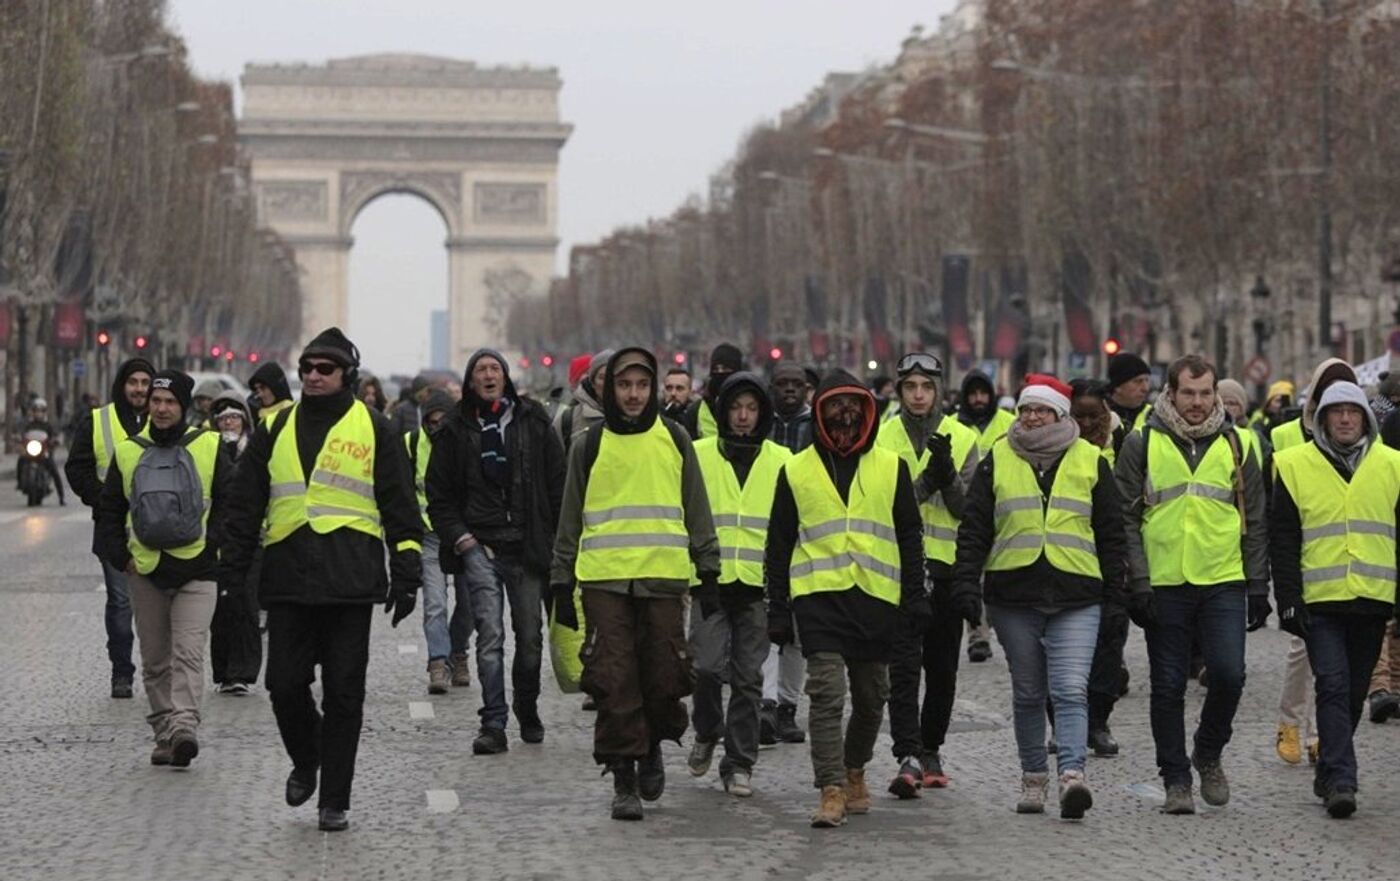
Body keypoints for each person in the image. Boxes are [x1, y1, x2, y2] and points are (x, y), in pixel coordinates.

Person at [221, 327, 423, 833]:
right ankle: (308, 756)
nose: (313, 375)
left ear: (346, 375)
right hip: (288, 577)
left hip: (351, 581)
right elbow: (245, 504)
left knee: (344, 695)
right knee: (283, 686)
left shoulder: (375, 426)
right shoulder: (275, 426)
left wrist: (407, 571)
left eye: (324, 368)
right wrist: (230, 573)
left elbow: (399, 505)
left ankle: (335, 799)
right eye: (307, 367)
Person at [549, 347, 720, 821]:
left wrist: (709, 569)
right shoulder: (590, 443)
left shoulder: (676, 438)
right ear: (610, 389)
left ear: (653, 388)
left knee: (665, 675)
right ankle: (623, 773)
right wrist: (561, 582)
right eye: (624, 385)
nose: (633, 394)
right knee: (613, 678)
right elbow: (570, 516)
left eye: (642, 385)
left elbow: (696, 506)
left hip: (664, 580)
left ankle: (652, 746)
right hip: (604, 583)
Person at [953, 374, 1124, 819]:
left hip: (1077, 594)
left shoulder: (1090, 459)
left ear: (1060, 415)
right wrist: (967, 583)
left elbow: (1110, 533)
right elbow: (975, 528)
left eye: (1042, 410)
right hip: (1014, 596)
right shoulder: (998, 458)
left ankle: (1072, 776)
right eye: (1027, 408)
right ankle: (1033, 778)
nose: (1032, 416)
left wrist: (1117, 595)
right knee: (1029, 693)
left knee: (1069, 690)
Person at [766, 369, 925, 829]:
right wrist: (778, 608)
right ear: (819, 415)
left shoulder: (891, 466)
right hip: (818, 599)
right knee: (828, 695)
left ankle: (856, 768)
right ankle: (831, 787)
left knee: (873, 698)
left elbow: (910, 536)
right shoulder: (794, 470)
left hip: (876, 598)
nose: (845, 417)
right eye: (835, 408)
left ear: (868, 414)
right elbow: (777, 545)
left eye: (854, 407)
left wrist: (916, 596)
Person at [1115, 355, 1267, 815]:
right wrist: (1137, 581)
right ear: (1171, 393)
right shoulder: (1141, 442)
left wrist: (1258, 584)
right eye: (1189, 394)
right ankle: (1176, 778)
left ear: (1216, 394)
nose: (1198, 403)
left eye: (1206, 394)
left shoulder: (1241, 444)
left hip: (1223, 577)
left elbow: (1256, 518)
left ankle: (1208, 750)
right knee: (1166, 687)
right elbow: (1125, 517)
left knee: (1228, 674)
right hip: (1163, 580)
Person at [1272, 380, 1400, 819]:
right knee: (1332, 684)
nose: (1345, 419)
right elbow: (1283, 539)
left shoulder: (1393, 465)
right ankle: (1344, 779)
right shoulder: (1292, 465)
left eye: (1354, 411)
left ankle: (1328, 767)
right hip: (1320, 599)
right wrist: (1287, 598)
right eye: (1336, 411)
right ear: (1322, 417)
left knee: (1353, 693)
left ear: (1366, 417)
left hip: (1373, 596)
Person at [425, 349, 565, 752]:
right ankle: (494, 723)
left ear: (505, 377)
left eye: (494, 369)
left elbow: (556, 482)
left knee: (531, 638)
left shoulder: (534, 419)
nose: (488, 375)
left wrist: (555, 540)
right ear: (471, 381)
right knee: (489, 638)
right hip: (480, 548)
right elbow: (439, 494)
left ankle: (527, 704)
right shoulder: (453, 429)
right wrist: (462, 539)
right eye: (481, 370)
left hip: (527, 547)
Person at [96, 370, 233, 768]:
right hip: (145, 569)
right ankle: (163, 733)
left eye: (169, 402)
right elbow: (109, 511)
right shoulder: (128, 451)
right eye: (155, 401)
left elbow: (231, 501)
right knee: (155, 659)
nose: (160, 408)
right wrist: (121, 556)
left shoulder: (208, 446)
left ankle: (184, 726)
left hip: (197, 569)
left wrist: (214, 547)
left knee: (188, 653)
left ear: (183, 406)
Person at [877, 353, 979, 797]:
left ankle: (932, 745)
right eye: (910, 387)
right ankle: (908, 753)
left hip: (947, 566)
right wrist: (924, 483)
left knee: (941, 668)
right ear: (899, 392)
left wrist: (949, 476)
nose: (919, 395)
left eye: (927, 387)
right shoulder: (881, 437)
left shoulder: (963, 436)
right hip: (899, 568)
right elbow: (882, 507)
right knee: (902, 669)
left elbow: (967, 508)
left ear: (939, 391)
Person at [686, 372, 791, 797]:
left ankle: (739, 762)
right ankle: (707, 730)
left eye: (750, 408)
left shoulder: (782, 460)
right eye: (735, 408)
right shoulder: (697, 455)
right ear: (723, 411)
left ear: (761, 413)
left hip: (757, 586)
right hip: (709, 581)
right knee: (706, 668)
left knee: (749, 678)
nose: (743, 417)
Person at [1272, 358, 1355, 765]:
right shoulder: (1286, 435)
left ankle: (1321, 735)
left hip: (1346, 559)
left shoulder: (1357, 436)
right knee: (1301, 652)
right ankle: (1289, 723)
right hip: (1305, 556)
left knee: (1337, 668)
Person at [65, 356, 154, 698]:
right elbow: (77, 468)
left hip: (158, 530)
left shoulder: (164, 417)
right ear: (122, 385)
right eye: (134, 383)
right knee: (120, 603)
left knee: (155, 605)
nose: (140, 390)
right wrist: (102, 499)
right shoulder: (97, 421)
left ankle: (158, 671)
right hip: (113, 529)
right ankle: (122, 673)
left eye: (146, 383)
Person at [1066, 379, 1131, 756]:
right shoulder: (1054, 444)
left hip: (1111, 554)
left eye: (1095, 415)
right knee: (1062, 650)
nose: (1088, 423)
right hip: (1067, 557)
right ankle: (1064, 723)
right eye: (1080, 415)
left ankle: (1099, 721)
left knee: (1110, 641)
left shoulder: (1122, 442)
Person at [759, 359, 816, 743]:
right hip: (762, 533)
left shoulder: (816, 428)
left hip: (806, 534)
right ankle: (764, 705)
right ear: (772, 388)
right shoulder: (759, 424)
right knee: (767, 625)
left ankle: (787, 707)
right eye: (783, 384)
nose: (791, 390)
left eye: (797, 384)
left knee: (797, 634)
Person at [408, 390, 474, 693]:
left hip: (464, 535)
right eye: (430, 422)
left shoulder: (468, 442)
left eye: (442, 421)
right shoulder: (410, 445)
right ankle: (438, 662)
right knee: (435, 604)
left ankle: (458, 652)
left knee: (470, 604)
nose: (436, 428)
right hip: (429, 536)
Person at [208, 392, 262, 695]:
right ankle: (224, 672)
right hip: (218, 538)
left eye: (234, 417)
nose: (229, 423)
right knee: (221, 607)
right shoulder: (209, 451)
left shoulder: (255, 451)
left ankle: (243, 671)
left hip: (252, 539)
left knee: (246, 605)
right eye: (224, 419)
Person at [554, 349, 611, 455]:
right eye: (602, 377)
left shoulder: (637, 417)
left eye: (613, 377)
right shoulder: (567, 419)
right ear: (592, 382)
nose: (608, 383)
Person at [682, 342, 744, 440]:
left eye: (725, 368)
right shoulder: (696, 410)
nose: (720, 373)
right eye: (716, 369)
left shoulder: (750, 408)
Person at [19, 397, 67, 505]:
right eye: (36, 411)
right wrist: (19, 440)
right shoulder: (29, 425)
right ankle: (20, 483)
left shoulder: (48, 425)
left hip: (43, 453)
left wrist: (56, 440)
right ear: (33, 412)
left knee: (54, 471)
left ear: (44, 412)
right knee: (20, 461)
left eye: (41, 411)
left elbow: (54, 435)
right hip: (30, 451)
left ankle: (61, 497)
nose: (38, 413)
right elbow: (23, 435)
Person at [1108, 352, 1153, 454]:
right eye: (1138, 381)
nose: (1145, 388)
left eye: (1147, 380)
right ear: (1118, 386)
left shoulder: (1153, 415)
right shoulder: (1099, 415)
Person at [249, 361, 294, 426]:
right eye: (256, 390)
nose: (260, 394)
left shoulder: (291, 414)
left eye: (263, 388)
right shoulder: (257, 414)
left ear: (276, 388)